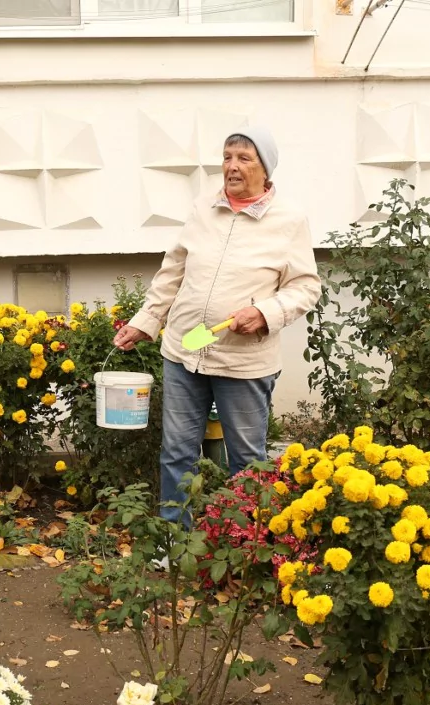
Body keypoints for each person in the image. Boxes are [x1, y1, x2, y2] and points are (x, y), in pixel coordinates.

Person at [114, 126, 321, 522]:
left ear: (265, 168)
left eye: (244, 158)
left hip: (242, 364)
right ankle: (175, 541)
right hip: (183, 351)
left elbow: (305, 287)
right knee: (176, 452)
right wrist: (147, 321)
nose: (232, 167)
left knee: (246, 460)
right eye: (227, 157)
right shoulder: (204, 206)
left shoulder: (289, 219)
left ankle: (246, 546)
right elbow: (174, 268)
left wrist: (264, 313)